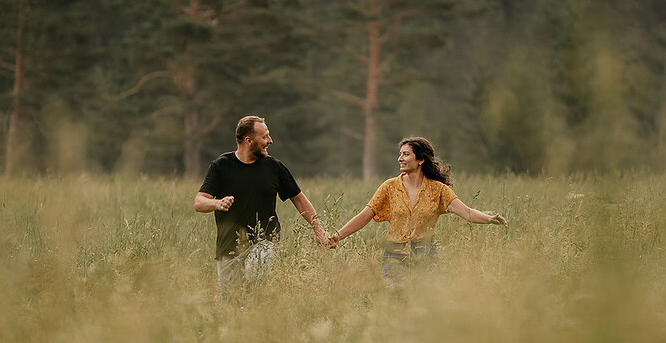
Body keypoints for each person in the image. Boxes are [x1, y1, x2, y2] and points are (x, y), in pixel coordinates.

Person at [328, 136, 507, 283]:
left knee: (424, 305)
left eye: (406, 154)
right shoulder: (389, 187)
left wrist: (489, 218)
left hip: (426, 255)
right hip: (394, 255)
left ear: (420, 159)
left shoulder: (438, 190)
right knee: (397, 299)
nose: (400, 158)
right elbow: (365, 215)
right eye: (400, 154)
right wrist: (338, 236)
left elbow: (466, 212)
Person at [195, 115, 328, 290]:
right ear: (249, 140)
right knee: (232, 306)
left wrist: (319, 230)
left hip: (263, 240)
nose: (270, 141)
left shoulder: (274, 167)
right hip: (227, 248)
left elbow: (300, 200)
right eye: (264, 136)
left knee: (255, 275)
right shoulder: (221, 166)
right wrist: (217, 203)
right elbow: (199, 202)